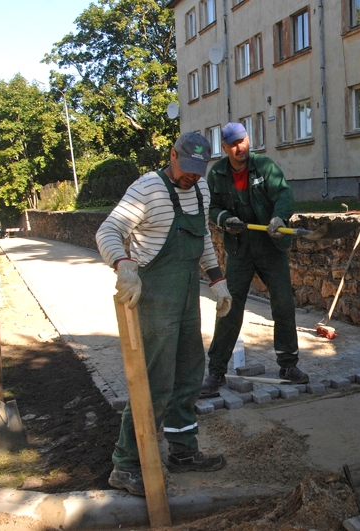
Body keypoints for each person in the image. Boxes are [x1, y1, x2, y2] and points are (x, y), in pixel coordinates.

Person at [96, 132, 233, 496]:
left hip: (187, 294)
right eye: (186, 168)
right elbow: (108, 230)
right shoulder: (147, 189)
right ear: (172, 155)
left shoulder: (201, 190)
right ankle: (126, 464)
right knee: (155, 382)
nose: (191, 176)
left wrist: (217, 280)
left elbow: (203, 238)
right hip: (155, 296)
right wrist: (123, 264)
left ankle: (183, 451)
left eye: (198, 170)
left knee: (189, 374)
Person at [200, 122, 309, 398]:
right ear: (224, 148)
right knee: (229, 305)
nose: (240, 148)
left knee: (283, 304)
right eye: (233, 144)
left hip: (270, 245)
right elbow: (213, 207)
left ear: (248, 140)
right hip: (240, 248)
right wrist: (225, 219)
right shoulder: (218, 174)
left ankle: (288, 365)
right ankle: (216, 371)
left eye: (243, 141)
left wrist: (279, 218)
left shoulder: (265, 167)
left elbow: (283, 194)